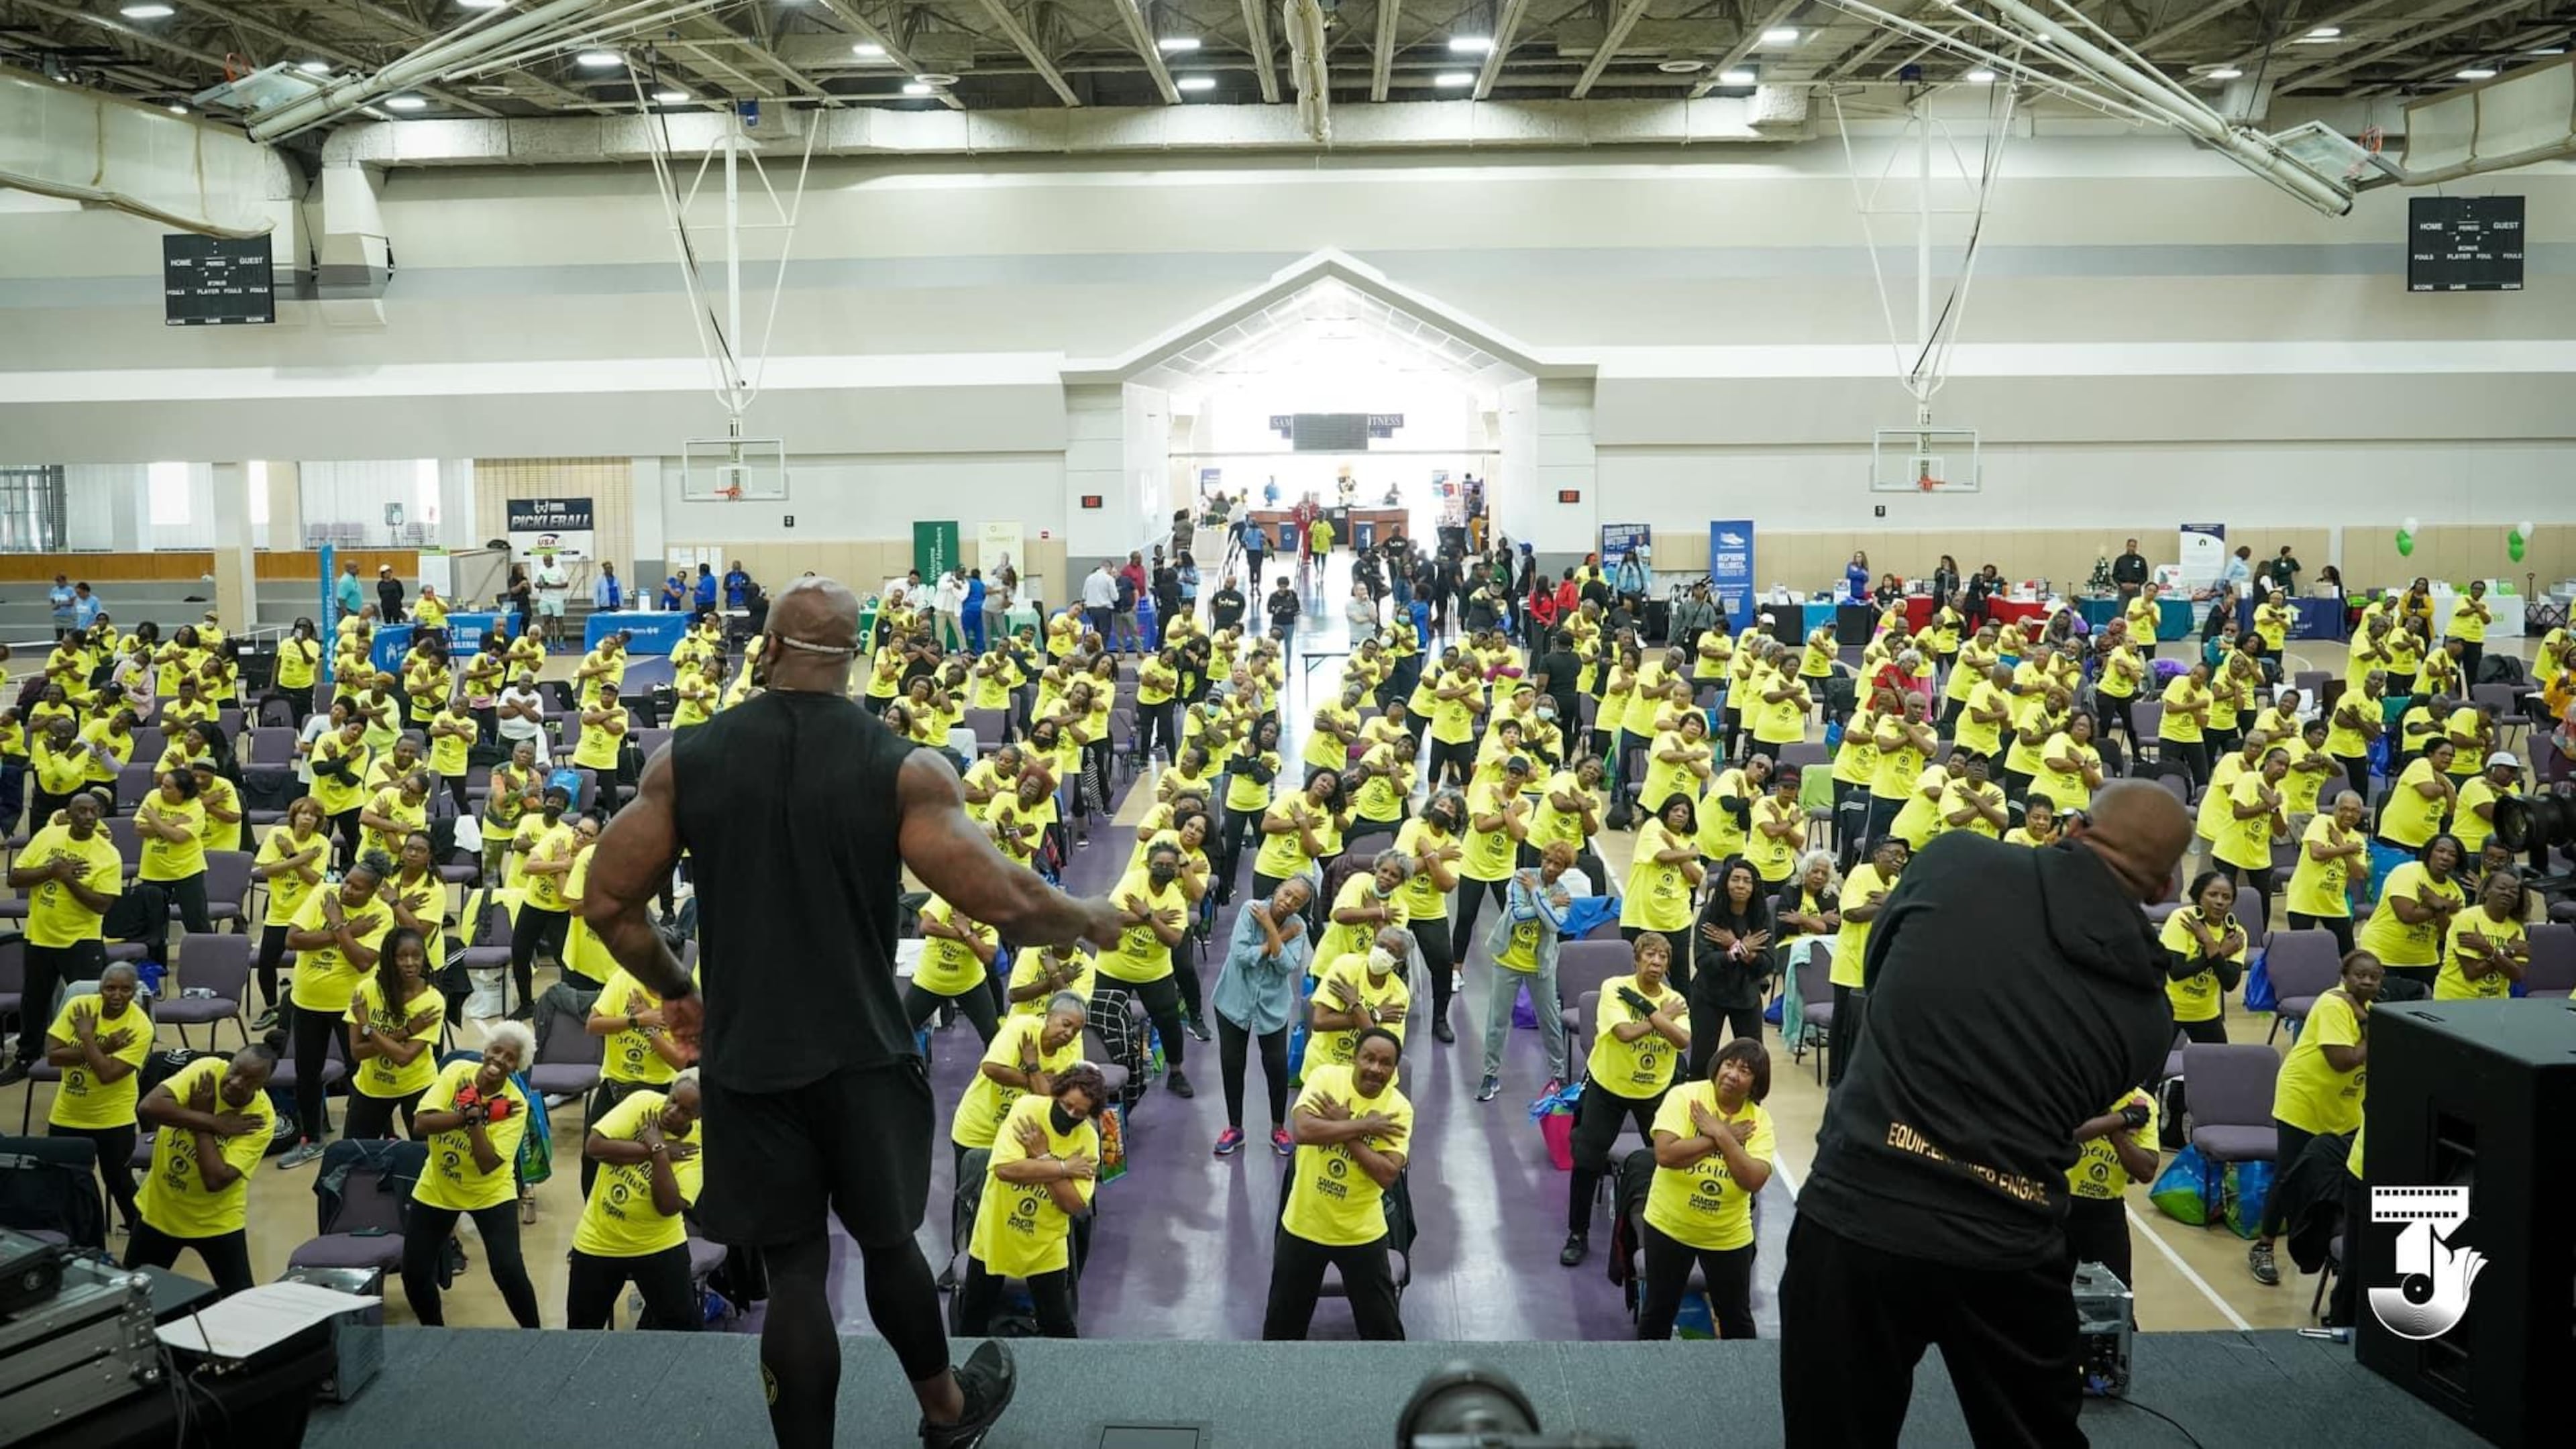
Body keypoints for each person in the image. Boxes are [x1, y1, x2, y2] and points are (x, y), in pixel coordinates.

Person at [580, 576, 1122, 1449]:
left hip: (750, 1059)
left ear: (768, 649)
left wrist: (678, 990)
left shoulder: (686, 762)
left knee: (796, 1269)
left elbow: (608, 902)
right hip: (864, 1051)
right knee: (888, 1241)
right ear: (856, 658)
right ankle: (946, 1412)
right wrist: (1089, 916)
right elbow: (1010, 904)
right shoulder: (902, 768)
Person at [1780, 781, 2192, 1448]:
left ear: (2072, 828)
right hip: (2007, 1242)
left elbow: (1883, 982)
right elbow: (2069, 1112)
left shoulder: (1954, 862)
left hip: (1860, 1214)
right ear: (2165, 885)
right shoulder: (2148, 1016)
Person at [1263, 1027, 1411, 1341]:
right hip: (1304, 1225)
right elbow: (1303, 1131)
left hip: (1362, 1233)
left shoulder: (1398, 1109)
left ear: (1394, 1070)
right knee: (1281, 1334)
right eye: (1369, 1058)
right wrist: (1365, 1126)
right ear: (1354, 1058)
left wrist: (1345, 1128)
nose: (1375, 1068)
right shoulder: (1326, 1079)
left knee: (1384, 1336)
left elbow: (1387, 1174)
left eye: (1385, 1063)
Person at [2247, 950, 2381, 1286]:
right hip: (2303, 1100)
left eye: (2374, 977)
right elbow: (2343, 1060)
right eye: (2360, 975)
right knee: (2288, 1174)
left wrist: (2368, 1022)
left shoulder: (2372, 1011)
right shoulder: (2332, 1005)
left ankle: (2328, 1246)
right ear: (2344, 977)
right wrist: (2373, 1032)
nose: (2367, 981)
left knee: (2340, 1179)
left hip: (2345, 1108)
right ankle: (2263, 1246)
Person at [1562, 931, 1688, 1267]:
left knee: (1668, 1160)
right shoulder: (1615, 988)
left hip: (1654, 1091)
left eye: (1663, 957)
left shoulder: (1676, 999)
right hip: (1608, 1087)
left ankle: (1671, 1229)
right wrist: (1661, 1017)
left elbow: (1682, 1041)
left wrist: (1650, 1012)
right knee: (1587, 1160)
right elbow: (1624, 1033)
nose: (1656, 962)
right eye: (1650, 955)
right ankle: (1577, 1233)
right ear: (1636, 960)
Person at [402, 1026, 542, 1326]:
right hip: (438, 1186)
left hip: (489, 1193)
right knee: (414, 1272)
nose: (500, 1059)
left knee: (508, 1271)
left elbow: (487, 1163)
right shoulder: (457, 1072)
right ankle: (434, 1332)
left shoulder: (516, 1105)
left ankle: (535, 1334)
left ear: (517, 1066)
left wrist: (475, 1118)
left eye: (510, 1057)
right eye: (497, 1051)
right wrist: (469, 1115)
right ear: (486, 1050)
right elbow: (421, 1124)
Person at [957, 1063, 1107, 1339]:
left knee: (1058, 1326)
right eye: (1067, 1105)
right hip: (996, 1233)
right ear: (1056, 1093)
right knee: (973, 1320)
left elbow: (1073, 1204)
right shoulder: (1028, 1110)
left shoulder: (1087, 1139)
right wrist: (1063, 1168)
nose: (1070, 1115)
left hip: (1045, 1245)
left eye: (1079, 1113)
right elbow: (1006, 1170)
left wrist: (1041, 1157)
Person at [1639, 1037, 1775, 1340]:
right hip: (1669, 1226)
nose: (1732, 1074)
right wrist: (1726, 1137)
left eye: (1744, 1071)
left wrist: (1718, 1134)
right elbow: (1666, 1155)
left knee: (1736, 1318)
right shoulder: (1685, 1097)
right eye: (1729, 1064)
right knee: (1658, 1311)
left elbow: (1753, 1180)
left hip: (1727, 1236)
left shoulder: (1759, 1122)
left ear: (1755, 1085)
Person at [127, 1034, 282, 1296]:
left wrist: (200, 1125)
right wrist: (213, 1122)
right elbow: (148, 1107)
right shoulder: (207, 1071)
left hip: (216, 1221)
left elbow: (215, 1179)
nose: (236, 1082)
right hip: (160, 1209)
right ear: (230, 1063)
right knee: (132, 1295)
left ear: (262, 1085)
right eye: (236, 1071)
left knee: (241, 1302)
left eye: (249, 1081)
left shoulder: (260, 1119)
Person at [278, 852, 394, 1168]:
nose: (347, 890)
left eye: (357, 887)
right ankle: (311, 1139)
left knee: (364, 1074)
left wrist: (338, 924)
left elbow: (362, 961)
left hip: (353, 1007)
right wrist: (346, 931)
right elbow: (293, 940)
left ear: (374, 890)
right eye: (347, 882)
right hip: (306, 1001)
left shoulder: (381, 914)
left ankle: (381, 1137)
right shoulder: (324, 894)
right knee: (307, 1074)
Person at [570, 1071, 704, 1330]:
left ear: (698, 1117)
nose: (673, 1112)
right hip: (598, 1241)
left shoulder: (697, 1147)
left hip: (659, 1246)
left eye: (685, 1111)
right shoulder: (642, 1103)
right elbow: (595, 1147)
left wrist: (659, 1153)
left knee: (684, 1334)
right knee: (581, 1331)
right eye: (673, 1101)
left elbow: (667, 1206)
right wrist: (657, 1149)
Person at [3, 790, 120, 1085]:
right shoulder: (47, 837)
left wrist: (67, 879)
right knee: (34, 1001)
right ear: (68, 814)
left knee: (89, 1004)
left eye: (94, 811)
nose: (89, 817)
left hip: (81, 939)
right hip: (40, 934)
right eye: (82, 811)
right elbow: (15, 878)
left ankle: (92, 1058)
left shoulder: (107, 854)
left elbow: (102, 904)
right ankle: (26, 1057)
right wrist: (51, 871)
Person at [45, 962, 153, 1234]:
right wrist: (103, 1046)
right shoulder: (79, 1007)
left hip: (113, 1118)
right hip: (67, 1114)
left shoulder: (140, 1026)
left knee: (118, 1181)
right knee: (62, 1180)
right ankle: (72, 1233)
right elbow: (54, 1056)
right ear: (101, 989)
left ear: (134, 992)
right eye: (110, 988)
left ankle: (141, 1232)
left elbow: (107, 1074)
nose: (117, 995)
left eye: (125, 989)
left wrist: (86, 1037)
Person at [1212, 878, 1312, 1158]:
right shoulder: (1251, 909)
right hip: (1233, 1000)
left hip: (1272, 1005)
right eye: (1287, 894)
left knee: (1277, 1066)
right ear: (1277, 890)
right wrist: (1280, 938)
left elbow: (1287, 966)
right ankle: (1235, 1128)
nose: (1288, 902)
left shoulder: (1299, 926)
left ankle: (1278, 1128)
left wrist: (1269, 928)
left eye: (1297, 901)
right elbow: (1241, 956)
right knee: (1233, 1064)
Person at [1479, 839, 1576, 1103]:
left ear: (1565, 869)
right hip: (1508, 961)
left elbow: (1555, 925)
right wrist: (1546, 900)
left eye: (1558, 864)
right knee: (1497, 1022)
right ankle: (1490, 1075)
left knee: (1550, 1021)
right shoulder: (1522, 876)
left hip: (1540, 966)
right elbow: (1517, 915)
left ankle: (1559, 1075)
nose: (1551, 867)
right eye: (1548, 861)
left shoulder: (1564, 893)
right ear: (1542, 858)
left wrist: (1536, 893)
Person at [343, 926, 445, 1140]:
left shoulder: (432, 1001)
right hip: (371, 1086)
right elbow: (357, 1052)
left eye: (416, 956)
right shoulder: (366, 990)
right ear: (390, 959)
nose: (410, 963)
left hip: (417, 1085)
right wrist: (406, 1031)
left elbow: (403, 1057)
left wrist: (367, 1027)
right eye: (402, 957)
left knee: (424, 1154)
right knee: (354, 1151)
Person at [2064, 1087, 2157, 1301]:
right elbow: (2069, 1135)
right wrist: (2122, 1119)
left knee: (2117, 1298)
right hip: (2059, 1204)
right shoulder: (2074, 1087)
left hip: (2106, 1211)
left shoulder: (2142, 1102)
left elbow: (2146, 1171)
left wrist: (2114, 1130)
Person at [1689, 857, 1776, 1075]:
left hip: (1746, 996)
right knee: (1701, 1061)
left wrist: (1735, 947)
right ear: (1725, 883)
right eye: (1735, 879)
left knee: (1753, 1061)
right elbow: (1703, 961)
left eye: (1747, 881)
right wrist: (1739, 950)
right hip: (1709, 995)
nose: (1740, 885)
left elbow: (1767, 964)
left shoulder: (1762, 916)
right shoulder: (1710, 913)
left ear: (1754, 887)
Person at [2161, 871, 2247, 1044]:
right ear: (2199, 896)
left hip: (2204, 1013)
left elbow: (2230, 983)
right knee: (2151, 1062)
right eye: (2213, 894)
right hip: (2166, 1009)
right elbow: (2176, 972)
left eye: (2226, 897)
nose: (2219, 902)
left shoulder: (2236, 935)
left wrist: (2210, 944)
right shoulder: (2183, 919)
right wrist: (2219, 952)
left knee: (2220, 1060)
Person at [2438, 866, 2528, 1000]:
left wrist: (2486, 949)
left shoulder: (2516, 928)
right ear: (2486, 892)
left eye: (2514, 892)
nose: (2507, 893)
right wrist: (2507, 952)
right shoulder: (2467, 919)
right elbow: (2472, 972)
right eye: (2501, 888)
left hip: (2496, 1001)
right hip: (2456, 999)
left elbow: (2517, 975)